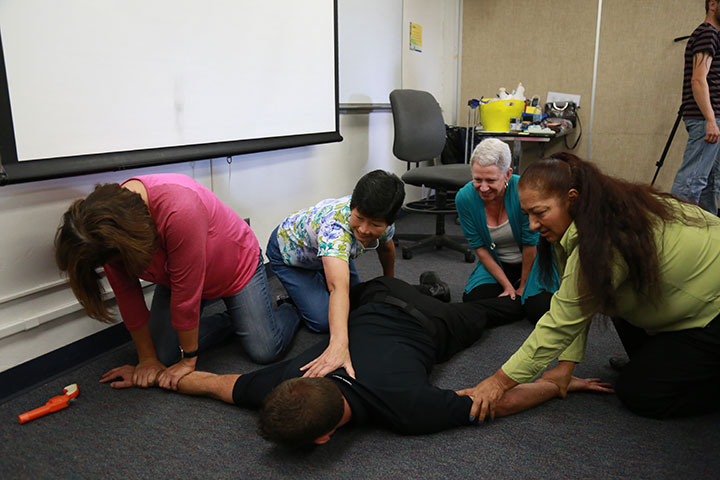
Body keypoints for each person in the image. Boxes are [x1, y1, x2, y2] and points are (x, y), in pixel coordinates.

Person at [101, 276, 611, 448]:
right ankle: (431, 283)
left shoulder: (408, 411)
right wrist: (153, 376)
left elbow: (493, 403)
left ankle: (517, 296)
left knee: (488, 310)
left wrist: (560, 386)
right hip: (377, 294)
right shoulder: (276, 383)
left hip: (432, 321)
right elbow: (208, 381)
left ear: (324, 438)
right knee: (446, 302)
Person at [458, 153, 720, 422]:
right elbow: (573, 296)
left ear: (572, 198)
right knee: (619, 313)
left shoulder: (607, 241)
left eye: (539, 213)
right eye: (527, 215)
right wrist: (565, 367)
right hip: (685, 290)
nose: (533, 226)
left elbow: (561, 322)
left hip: (713, 310)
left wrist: (498, 383)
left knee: (640, 393)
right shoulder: (591, 214)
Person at [55, 173, 300, 390]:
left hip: (235, 267)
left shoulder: (179, 208)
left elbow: (186, 298)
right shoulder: (103, 230)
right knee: (164, 356)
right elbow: (128, 295)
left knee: (265, 350)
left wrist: (189, 360)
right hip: (178, 277)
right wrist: (147, 360)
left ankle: (290, 307)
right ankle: (234, 320)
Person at [265, 170, 405, 379]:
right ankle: (290, 303)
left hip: (330, 254)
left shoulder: (384, 217)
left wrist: (390, 282)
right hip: (290, 255)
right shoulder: (335, 229)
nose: (365, 230)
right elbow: (337, 288)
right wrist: (339, 346)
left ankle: (316, 283)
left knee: (358, 298)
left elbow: (386, 248)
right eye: (359, 218)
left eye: (375, 225)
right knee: (323, 320)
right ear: (352, 208)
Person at [455, 138, 559, 323]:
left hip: (533, 261)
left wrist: (523, 287)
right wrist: (507, 287)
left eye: (491, 180)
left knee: (540, 311)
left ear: (508, 174)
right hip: (499, 262)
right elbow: (480, 248)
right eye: (477, 179)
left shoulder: (523, 191)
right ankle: (515, 304)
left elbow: (531, 243)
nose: (483, 188)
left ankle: (518, 300)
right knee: (474, 298)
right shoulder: (464, 198)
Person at [671, 0, 720, 215]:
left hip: (711, 119)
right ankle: (676, 231)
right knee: (691, 182)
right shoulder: (708, 33)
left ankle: (709, 232)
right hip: (706, 119)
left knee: (710, 182)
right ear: (712, 4)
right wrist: (710, 119)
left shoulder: (712, 35)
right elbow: (698, 80)